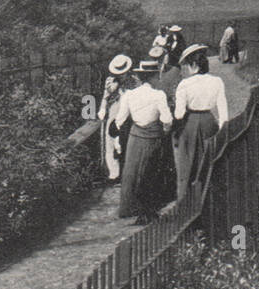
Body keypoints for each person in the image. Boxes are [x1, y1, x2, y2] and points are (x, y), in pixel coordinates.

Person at [112, 59, 173, 224]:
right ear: (153, 77)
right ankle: (150, 208)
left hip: (135, 137)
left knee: (132, 171)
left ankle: (131, 207)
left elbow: (120, 120)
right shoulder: (158, 95)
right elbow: (167, 119)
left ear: (140, 77)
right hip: (153, 137)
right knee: (152, 171)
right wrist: (165, 130)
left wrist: (118, 139)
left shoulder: (130, 95)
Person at [172, 44, 229, 202]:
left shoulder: (185, 84)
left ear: (194, 65)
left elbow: (179, 113)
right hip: (209, 122)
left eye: (188, 65)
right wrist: (222, 127)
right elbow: (223, 111)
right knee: (208, 160)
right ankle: (208, 197)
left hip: (190, 123)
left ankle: (187, 200)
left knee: (187, 163)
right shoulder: (217, 81)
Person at [98, 54, 132, 180]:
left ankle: (126, 170)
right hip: (114, 110)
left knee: (125, 140)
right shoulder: (110, 81)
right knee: (111, 139)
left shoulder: (133, 80)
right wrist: (102, 108)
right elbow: (105, 97)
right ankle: (114, 172)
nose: (121, 74)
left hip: (129, 111)